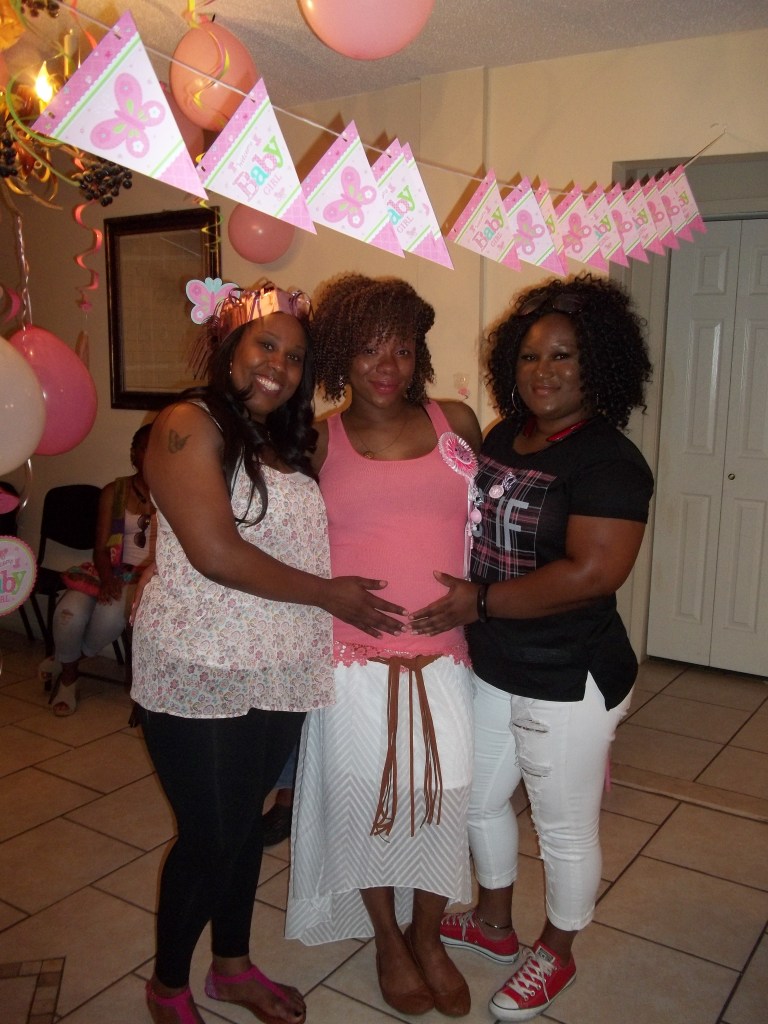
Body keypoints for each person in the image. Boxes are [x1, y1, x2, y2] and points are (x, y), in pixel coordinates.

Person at [131, 281, 406, 1024]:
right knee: (212, 835)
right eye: (266, 345)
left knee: (245, 823)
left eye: (295, 355)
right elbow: (216, 553)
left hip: (281, 660)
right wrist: (330, 596)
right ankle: (167, 985)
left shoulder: (285, 441)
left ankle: (232, 965)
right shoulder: (187, 424)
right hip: (202, 661)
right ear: (230, 347)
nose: (279, 366)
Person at [411, 273, 654, 1021]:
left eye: (562, 355)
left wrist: (479, 601)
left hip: (568, 673)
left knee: (561, 826)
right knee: (479, 799)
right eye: (528, 355)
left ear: (596, 365)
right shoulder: (501, 436)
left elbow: (592, 573)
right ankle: (493, 923)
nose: (542, 371)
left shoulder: (609, 462)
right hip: (494, 661)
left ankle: (558, 949)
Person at [286, 274, 482, 1018]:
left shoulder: (455, 423)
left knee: (446, 794)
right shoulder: (317, 439)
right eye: (369, 348)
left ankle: (428, 933)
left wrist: (481, 597)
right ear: (341, 353)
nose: (387, 364)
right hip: (351, 658)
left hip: (446, 653)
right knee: (361, 797)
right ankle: (388, 939)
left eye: (401, 347)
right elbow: (287, 542)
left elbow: (493, 520)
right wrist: (324, 594)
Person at [49, 424, 156, 716]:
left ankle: (67, 667)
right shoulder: (115, 491)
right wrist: (108, 579)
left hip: (146, 579)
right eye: (145, 448)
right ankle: (68, 674)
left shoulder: (176, 493)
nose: (152, 455)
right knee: (68, 613)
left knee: (111, 614)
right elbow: (100, 548)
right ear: (134, 454)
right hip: (108, 570)